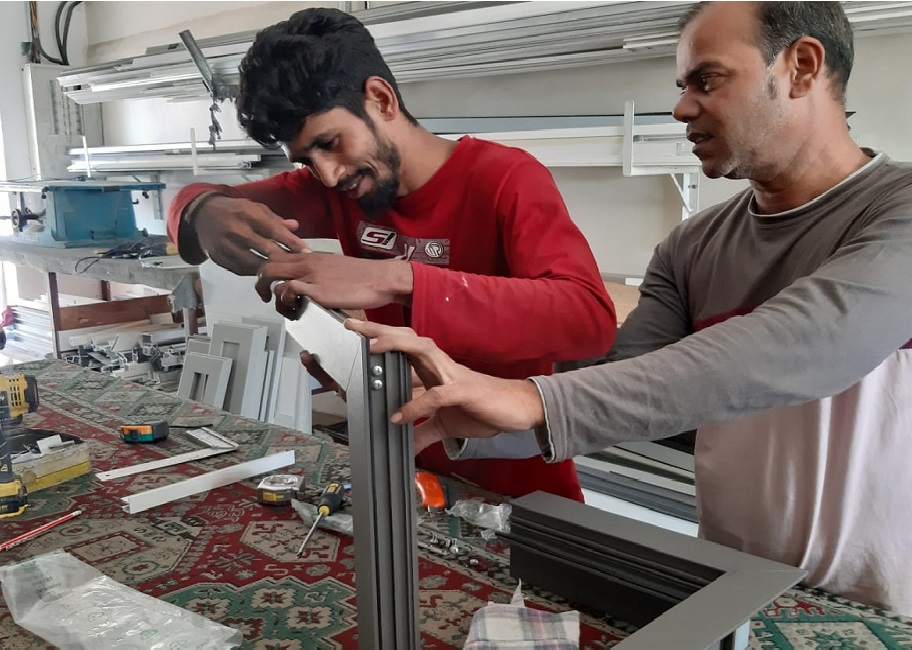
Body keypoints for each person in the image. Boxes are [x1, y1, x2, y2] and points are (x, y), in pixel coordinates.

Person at [345, 1, 912, 616]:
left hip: (886, 606)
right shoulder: (692, 248)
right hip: (734, 587)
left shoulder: (898, 211)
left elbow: (807, 343)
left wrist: (533, 399)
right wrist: (466, 410)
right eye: (683, 85)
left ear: (801, 66)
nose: (682, 108)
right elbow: (618, 390)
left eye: (707, 79)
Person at [166, 8, 617, 500]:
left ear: (380, 99)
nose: (328, 175)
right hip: (405, 472)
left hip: (522, 487)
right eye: (306, 161)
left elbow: (587, 318)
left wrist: (396, 280)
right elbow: (197, 200)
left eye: (330, 143)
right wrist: (200, 211)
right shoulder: (337, 189)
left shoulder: (505, 179)